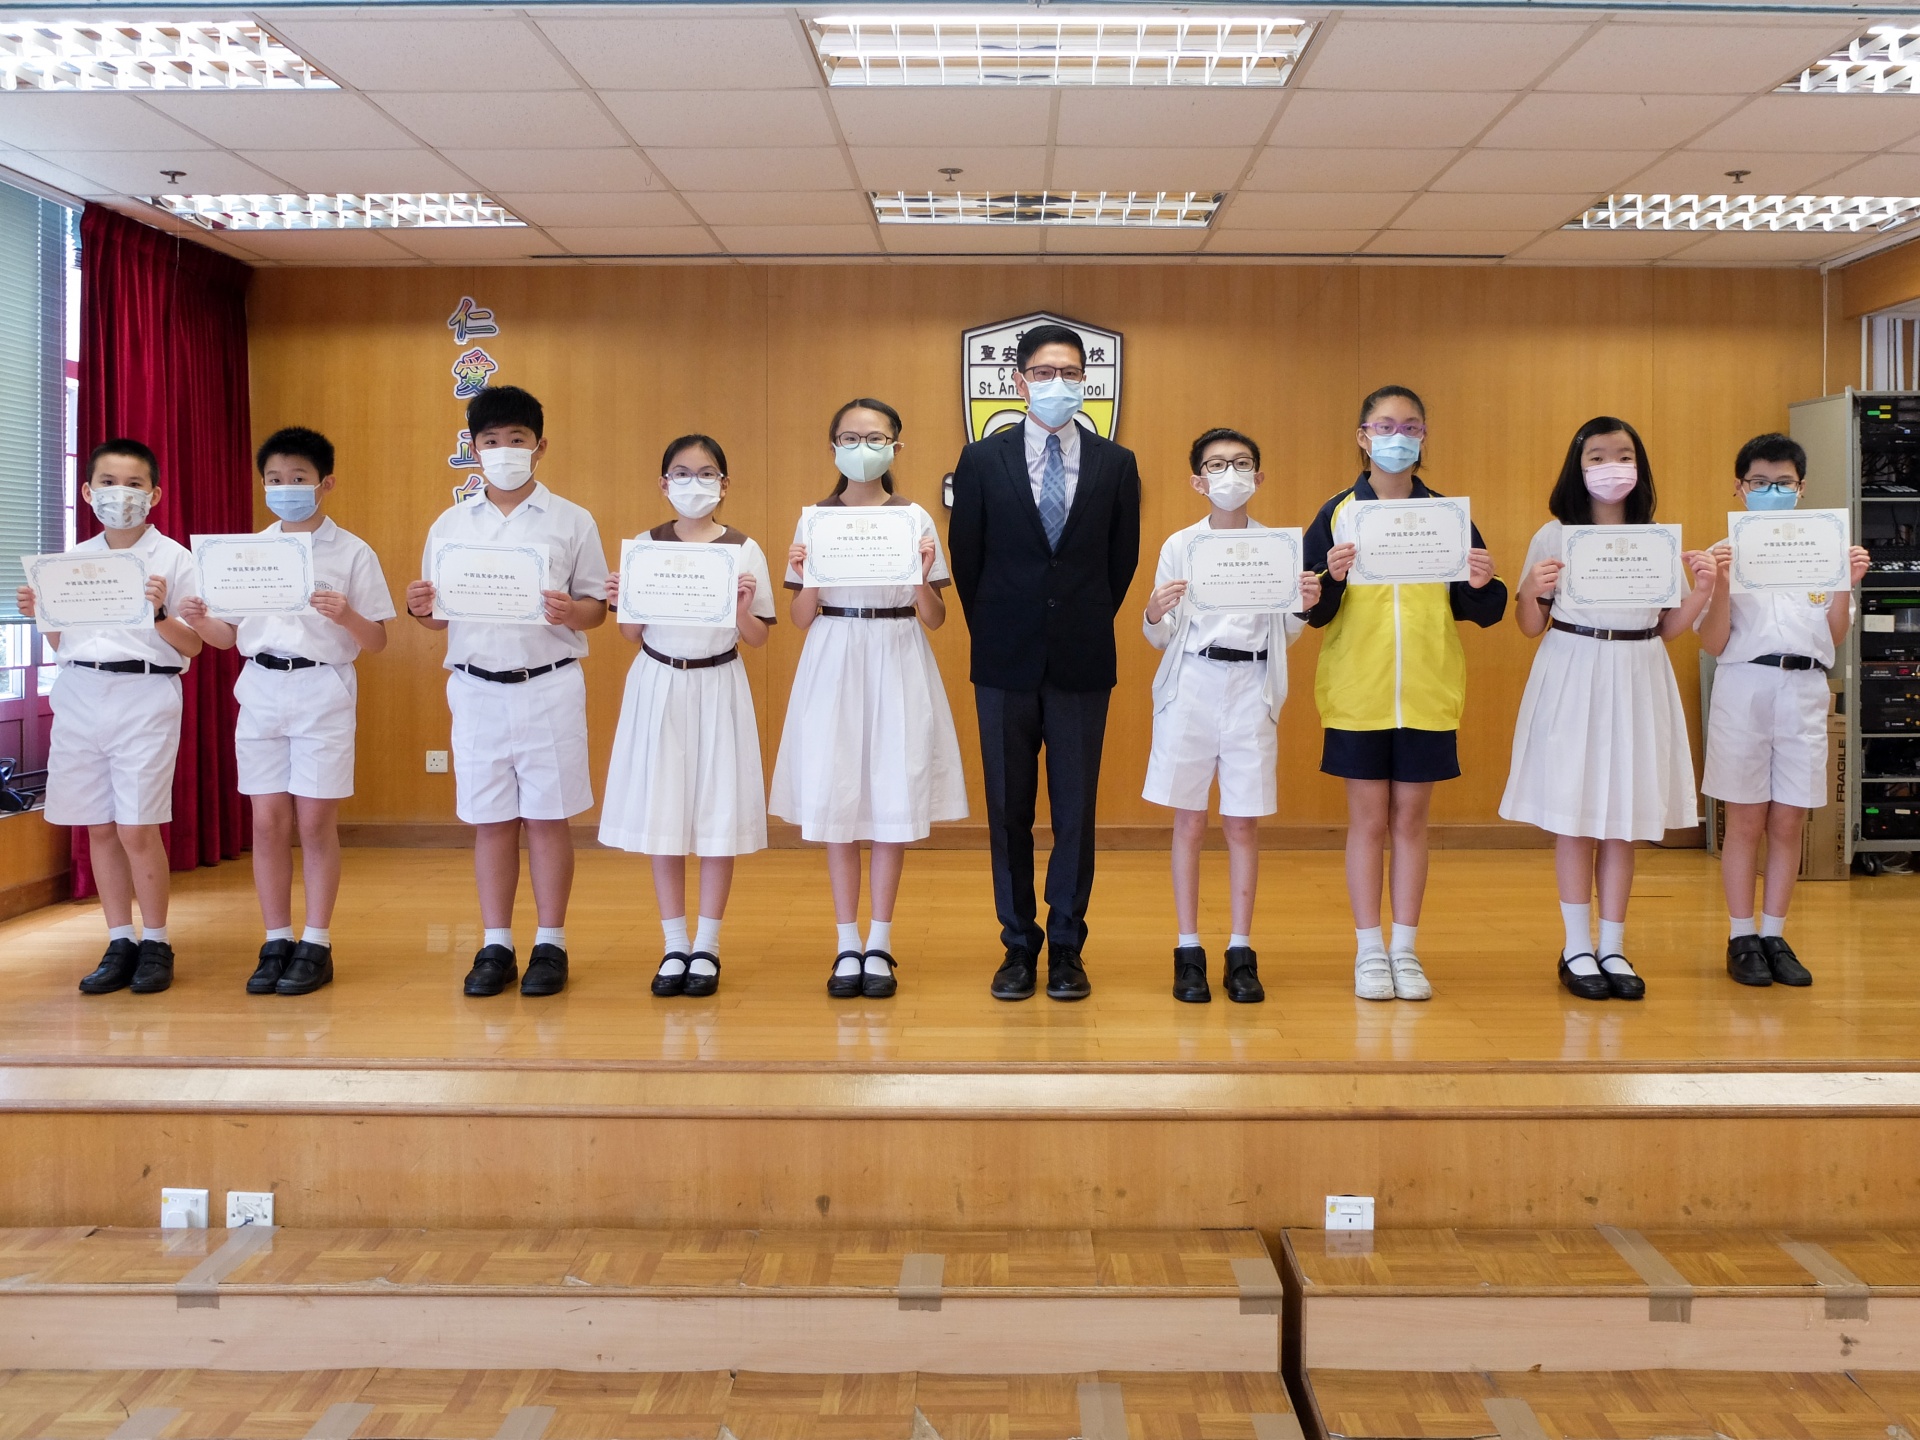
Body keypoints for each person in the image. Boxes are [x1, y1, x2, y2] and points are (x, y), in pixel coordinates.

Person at [949, 323, 1142, 1003]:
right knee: (1007, 808)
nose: (1057, 383)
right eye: (1044, 372)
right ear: (1019, 381)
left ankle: (1066, 945)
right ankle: (1016, 943)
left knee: (1075, 811)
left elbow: (1121, 563)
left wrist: (1076, 619)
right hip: (1003, 658)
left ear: (1086, 381)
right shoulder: (982, 460)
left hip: (1083, 659)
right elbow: (968, 560)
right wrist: (1003, 626)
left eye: (1070, 373)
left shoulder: (1117, 464)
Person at [1500, 415, 1717, 1001]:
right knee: (1575, 815)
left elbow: (1668, 627)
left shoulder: (1654, 538)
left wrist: (1701, 590)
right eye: (1596, 456)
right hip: (1574, 668)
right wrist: (1533, 590)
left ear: (1639, 467)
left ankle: (1614, 944)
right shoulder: (1553, 536)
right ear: (1578, 467)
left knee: (1624, 817)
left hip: (1639, 670)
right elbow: (1528, 625)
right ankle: (1576, 946)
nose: (1610, 467)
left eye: (1623, 455)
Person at [1301, 386, 1506, 1003]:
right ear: (1363, 437)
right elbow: (1310, 609)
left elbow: (1483, 609)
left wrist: (1481, 581)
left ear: (1423, 437)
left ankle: (1406, 950)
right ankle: (1369, 949)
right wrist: (1330, 579)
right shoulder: (1336, 513)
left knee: (1412, 821)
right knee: (1367, 822)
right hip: (1357, 692)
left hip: (1426, 689)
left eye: (1411, 426)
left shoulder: (1446, 514)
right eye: (1385, 426)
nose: (1398, 437)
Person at [404, 385, 609, 998]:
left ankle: (551, 943)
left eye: (516, 439)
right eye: (491, 440)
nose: (503, 450)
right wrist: (421, 609)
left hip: (548, 684)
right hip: (475, 689)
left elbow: (597, 608)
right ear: (474, 448)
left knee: (547, 819)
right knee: (491, 821)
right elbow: (438, 618)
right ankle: (495, 944)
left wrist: (570, 610)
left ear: (539, 446)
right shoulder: (450, 524)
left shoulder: (572, 519)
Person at [178, 426, 394, 996]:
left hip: (323, 688)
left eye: (298, 478)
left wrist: (346, 615)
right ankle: (276, 938)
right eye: (274, 479)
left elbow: (377, 641)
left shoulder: (353, 551)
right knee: (267, 821)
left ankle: (316, 941)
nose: (285, 488)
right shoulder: (245, 552)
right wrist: (200, 619)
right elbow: (227, 637)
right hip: (260, 689)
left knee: (316, 822)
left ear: (326, 483)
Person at [770, 398, 966, 999]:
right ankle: (845, 942)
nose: (863, 448)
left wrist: (919, 579)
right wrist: (810, 574)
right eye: (851, 438)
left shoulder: (914, 517)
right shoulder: (814, 519)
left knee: (891, 795)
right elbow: (800, 616)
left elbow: (935, 617)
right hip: (834, 652)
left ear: (895, 447)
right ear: (833, 447)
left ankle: (879, 941)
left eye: (875, 437)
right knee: (837, 797)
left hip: (897, 651)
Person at [17, 439, 202, 995]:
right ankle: (120, 939)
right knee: (98, 824)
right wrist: (40, 615)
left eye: (134, 484)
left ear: (155, 494)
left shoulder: (175, 558)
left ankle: (157, 941)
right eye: (108, 483)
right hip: (80, 692)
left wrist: (160, 613)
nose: (120, 494)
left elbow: (194, 645)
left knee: (137, 826)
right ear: (87, 491)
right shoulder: (70, 562)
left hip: (145, 693)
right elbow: (64, 645)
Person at [1142, 428, 1320, 1004]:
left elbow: (1285, 631)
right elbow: (1160, 635)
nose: (1230, 474)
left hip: (1252, 686)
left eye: (1241, 463)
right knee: (1189, 821)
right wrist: (1154, 611)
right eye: (1216, 465)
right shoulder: (1180, 545)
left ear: (1259, 477)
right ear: (1198, 481)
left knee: (1243, 822)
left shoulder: (1278, 547)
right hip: (1192, 682)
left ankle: (1241, 950)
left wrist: (1303, 607)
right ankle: (1187, 948)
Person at [601, 434, 775, 999]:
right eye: (681, 473)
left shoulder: (743, 548)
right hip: (658, 682)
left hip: (719, 681)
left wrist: (742, 609)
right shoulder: (644, 546)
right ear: (663, 483)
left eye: (705, 474)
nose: (692, 483)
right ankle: (674, 943)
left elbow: (758, 638)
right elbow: (630, 633)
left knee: (718, 812)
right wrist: (623, 596)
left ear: (724, 485)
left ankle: (708, 945)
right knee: (665, 810)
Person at [1699, 432, 1871, 988]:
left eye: (1783, 483)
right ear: (1739, 486)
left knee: (1790, 816)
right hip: (1744, 685)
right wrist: (1720, 585)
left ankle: (1775, 934)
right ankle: (1740, 935)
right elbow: (1714, 642)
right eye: (1759, 482)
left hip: (1805, 688)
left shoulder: (1823, 547)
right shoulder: (1723, 553)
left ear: (1801, 488)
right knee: (1746, 818)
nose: (1771, 490)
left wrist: (1845, 582)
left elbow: (1835, 635)